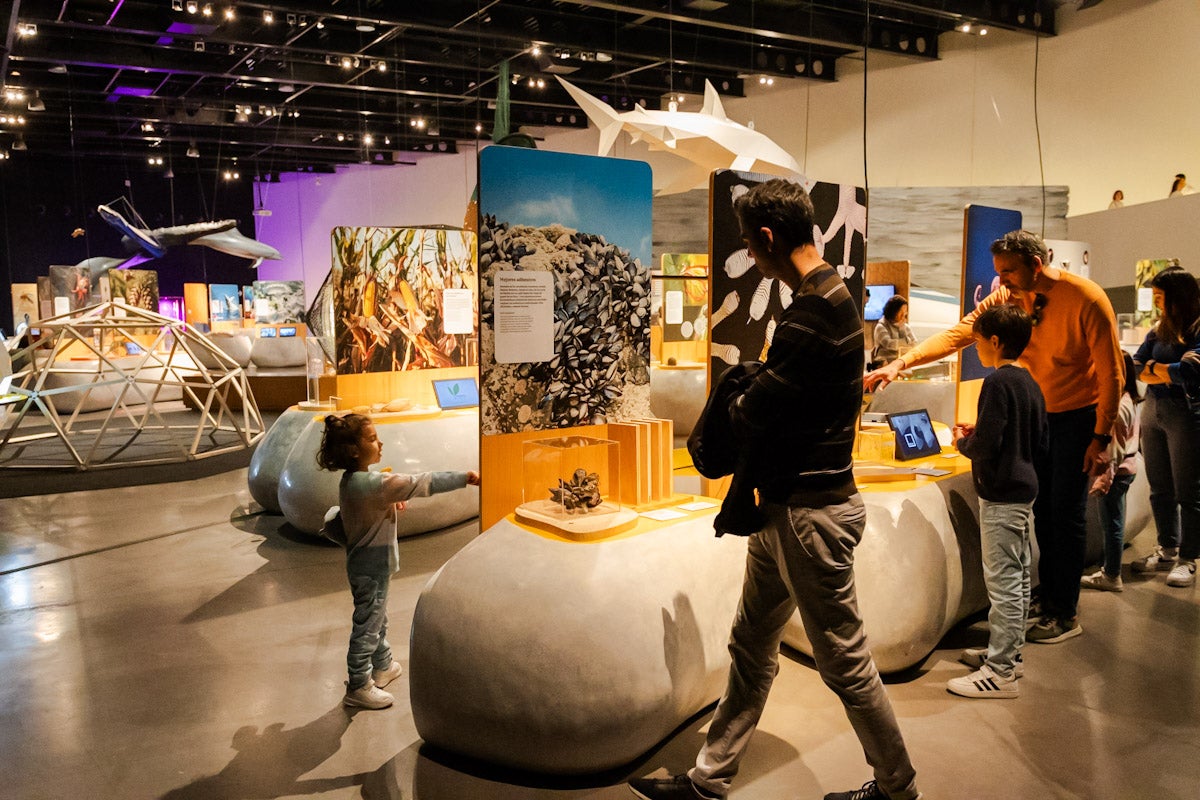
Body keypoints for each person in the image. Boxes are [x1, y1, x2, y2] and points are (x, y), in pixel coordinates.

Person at [629, 179, 920, 800]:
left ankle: (899, 790)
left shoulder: (812, 310)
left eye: (747, 243)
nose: (747, 252)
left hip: (808, 516)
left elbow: (751, 415)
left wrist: (742, 386)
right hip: (787, 507)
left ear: (766, 238)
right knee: (752, 640)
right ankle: (709, 777)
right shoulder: (835, 291)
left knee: (844, 662)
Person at [866, 230, 1122, 645]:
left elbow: (1111, 373)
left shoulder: (1086, 298)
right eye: (998, 272)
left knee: (1066, 513)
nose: (1000, 281)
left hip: (1077, 419)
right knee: (1043, 513)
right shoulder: (1007, 297)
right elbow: (960, 333)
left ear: (1036, 266)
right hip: (1038, 417)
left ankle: (1064, 612)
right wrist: (902, 364)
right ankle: (1050, 597)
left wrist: (1101, 436)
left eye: (1008, 272)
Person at [317, 413, 481, 709]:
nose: (379, 443)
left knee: (377, 618)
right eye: (371, 438)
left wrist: (389, 501)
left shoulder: (352, 481)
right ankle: (358, 684)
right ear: (354, 450)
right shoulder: (376, 485)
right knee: (368, 625)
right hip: (372, 566)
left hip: (365, 566)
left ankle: (383, 665)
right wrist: (463, 478)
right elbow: (420, 482)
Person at [948, 305, 1047, 699]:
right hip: (1024, 489)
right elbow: (1037, 439)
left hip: (1002, 494)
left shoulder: (997, 383)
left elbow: (985, 446)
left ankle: (1001, 671)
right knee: (1019, 578)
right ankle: (1008, 654)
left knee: (1003, 581)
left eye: (977, 343)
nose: (975, 351)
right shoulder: (1029, 382)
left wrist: (962, 442)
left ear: (994, 340)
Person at [1130, 268, 1200, 588]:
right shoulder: (1160, 329)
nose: (1157, 304)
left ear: (1177, 297)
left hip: (1184, 414)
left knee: (1189, 489)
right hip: (1154, 411)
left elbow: (1191, 370)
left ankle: (1189, 557)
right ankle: (1168, 547)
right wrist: (1163, 371)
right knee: (1160, 486)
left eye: (1161, 297)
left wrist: (1155, 369)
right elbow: (1136, 366)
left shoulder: (1197, 326)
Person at [1081, 352, 1142, 592]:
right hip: (1126, 470)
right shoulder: (1130, 400)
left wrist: (1104, 481)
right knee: (1114, 523)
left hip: (1117, 474)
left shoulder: (1117, 407)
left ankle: (1112, 574)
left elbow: (1114, 450)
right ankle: (1109, 568)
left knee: (1112, 525)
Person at [871, 295, 917, 368]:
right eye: (900, 312)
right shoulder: (881, 326)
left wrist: (902, 328)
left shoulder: (906, 327)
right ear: (893, 311)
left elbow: (915, 344)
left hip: (903, 364)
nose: (903, 315)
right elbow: (890, 344)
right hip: (885, 365)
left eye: (905, 312)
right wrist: (907, 341)